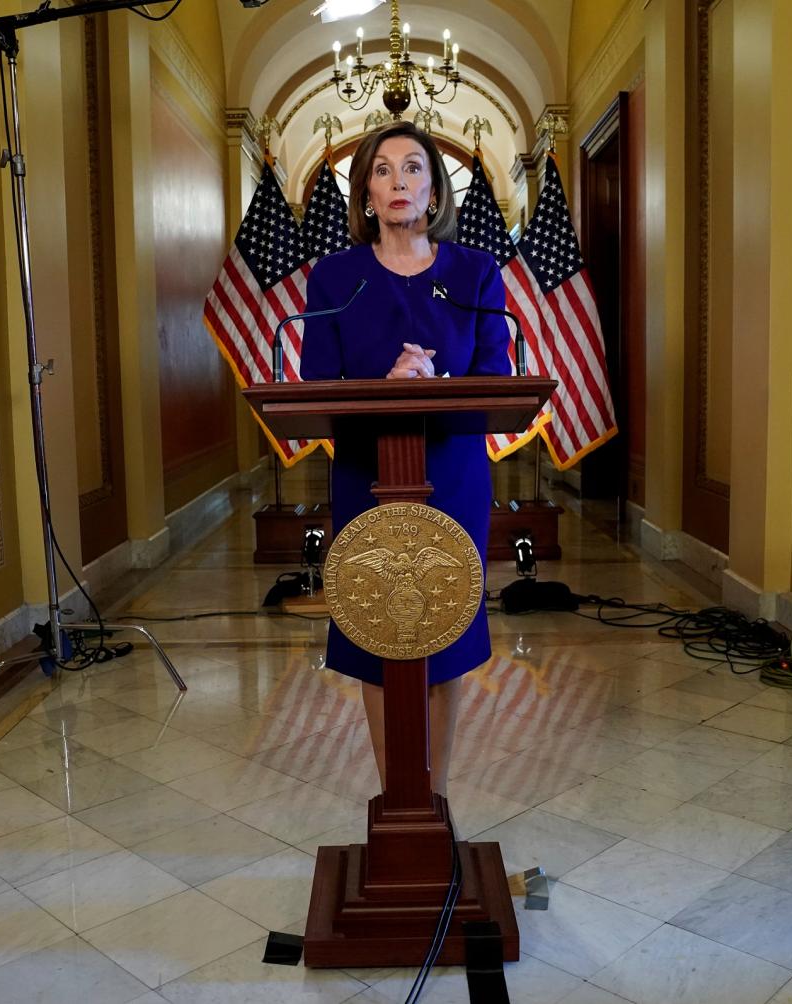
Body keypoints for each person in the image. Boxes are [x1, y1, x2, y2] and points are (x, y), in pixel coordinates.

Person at [300, 120, 511, 795]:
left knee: (444, 636)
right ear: (366, 191)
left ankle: (436, 798)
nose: (399, 183)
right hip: (367, 476)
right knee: (376, 635)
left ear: (433, 188)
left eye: (413, 168)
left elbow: (495, 377)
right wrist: (383, 388)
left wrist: (437, 387)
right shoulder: (335, 278)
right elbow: (315, 386)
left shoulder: (476, 272)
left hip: (450, 474)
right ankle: (398, 799)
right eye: (384, 170)